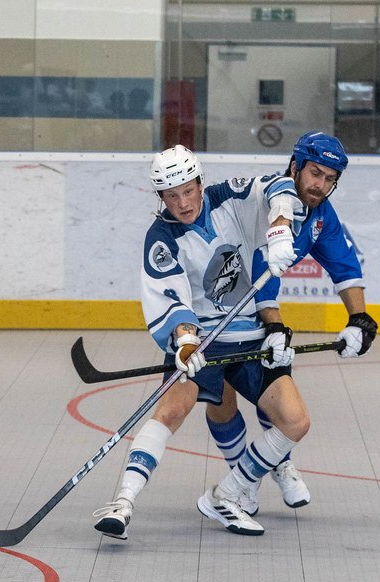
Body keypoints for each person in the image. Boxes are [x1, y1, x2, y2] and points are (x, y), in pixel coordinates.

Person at [92, 140, 364, 539]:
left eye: (188, 190)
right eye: (171, 195)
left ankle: (230, 492)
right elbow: (169, 296)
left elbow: (275, 187)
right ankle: (123, 502)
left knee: (295, 420)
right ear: (160, 197)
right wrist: (184, 342)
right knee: (172, 410)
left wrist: (279, 228)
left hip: (250, 333)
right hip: (202, 339)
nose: (183, 203)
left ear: (201, 183)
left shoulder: (227, 197)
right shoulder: (161, 238)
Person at [197, 131, 377, 526]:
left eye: (331, 178)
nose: (321, 185)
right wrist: (275, 325)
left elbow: (345, 266)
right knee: (222, 400)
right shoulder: (269, 202)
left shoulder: (321, 215)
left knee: (278, 393)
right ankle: (244, 482)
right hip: (215, 310)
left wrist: (359, 318)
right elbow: (262, 271)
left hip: (257, 313)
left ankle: (258, 474)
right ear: (294, 165)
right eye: (315, 173)